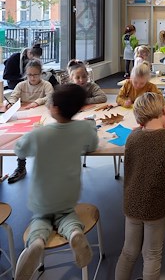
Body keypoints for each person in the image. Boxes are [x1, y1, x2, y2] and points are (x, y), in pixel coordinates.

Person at [14, 84, 99, 280]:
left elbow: (20, 150)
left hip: (42, 197)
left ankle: (37, 242)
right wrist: (91, 127)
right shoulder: (83, 129)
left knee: (40, 219)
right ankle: (74, 232)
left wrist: (33, 132)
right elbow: (93, 144)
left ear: (55, 109)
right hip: (68, 194)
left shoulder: (40, 134)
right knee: (66, 215)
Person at [115, 92, 165, 280]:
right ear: (163, 112)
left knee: (128, 251)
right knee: (152, 253)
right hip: (156, 205)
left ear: (139, 118)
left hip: (132, 203)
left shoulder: (132, 137)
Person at [4, 59, 54, 184]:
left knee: (43, 137)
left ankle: (46, 166)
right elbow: (13, 96)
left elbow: (50, 96)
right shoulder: (21, 85)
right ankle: (21, 167)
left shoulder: (46, 85)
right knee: (20, 138)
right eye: (29, 75)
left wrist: (37, 102)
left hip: (42, 116)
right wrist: (10, 103)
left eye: (35, 75)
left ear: (41, 73)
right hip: (25, 116)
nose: (32, 78)